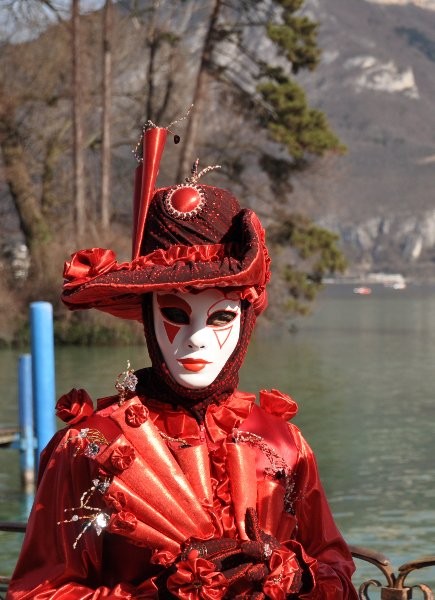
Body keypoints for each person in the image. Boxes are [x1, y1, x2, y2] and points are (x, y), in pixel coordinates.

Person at [7, 122, 357, 599]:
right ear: (147, 317)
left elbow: (334, 564)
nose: (196, 340)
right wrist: (162, 594)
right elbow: (40, 592)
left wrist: (290, 575)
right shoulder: (90, 447)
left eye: (220, 317)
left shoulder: (283, 444)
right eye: (174, 314)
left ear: (247, 318)